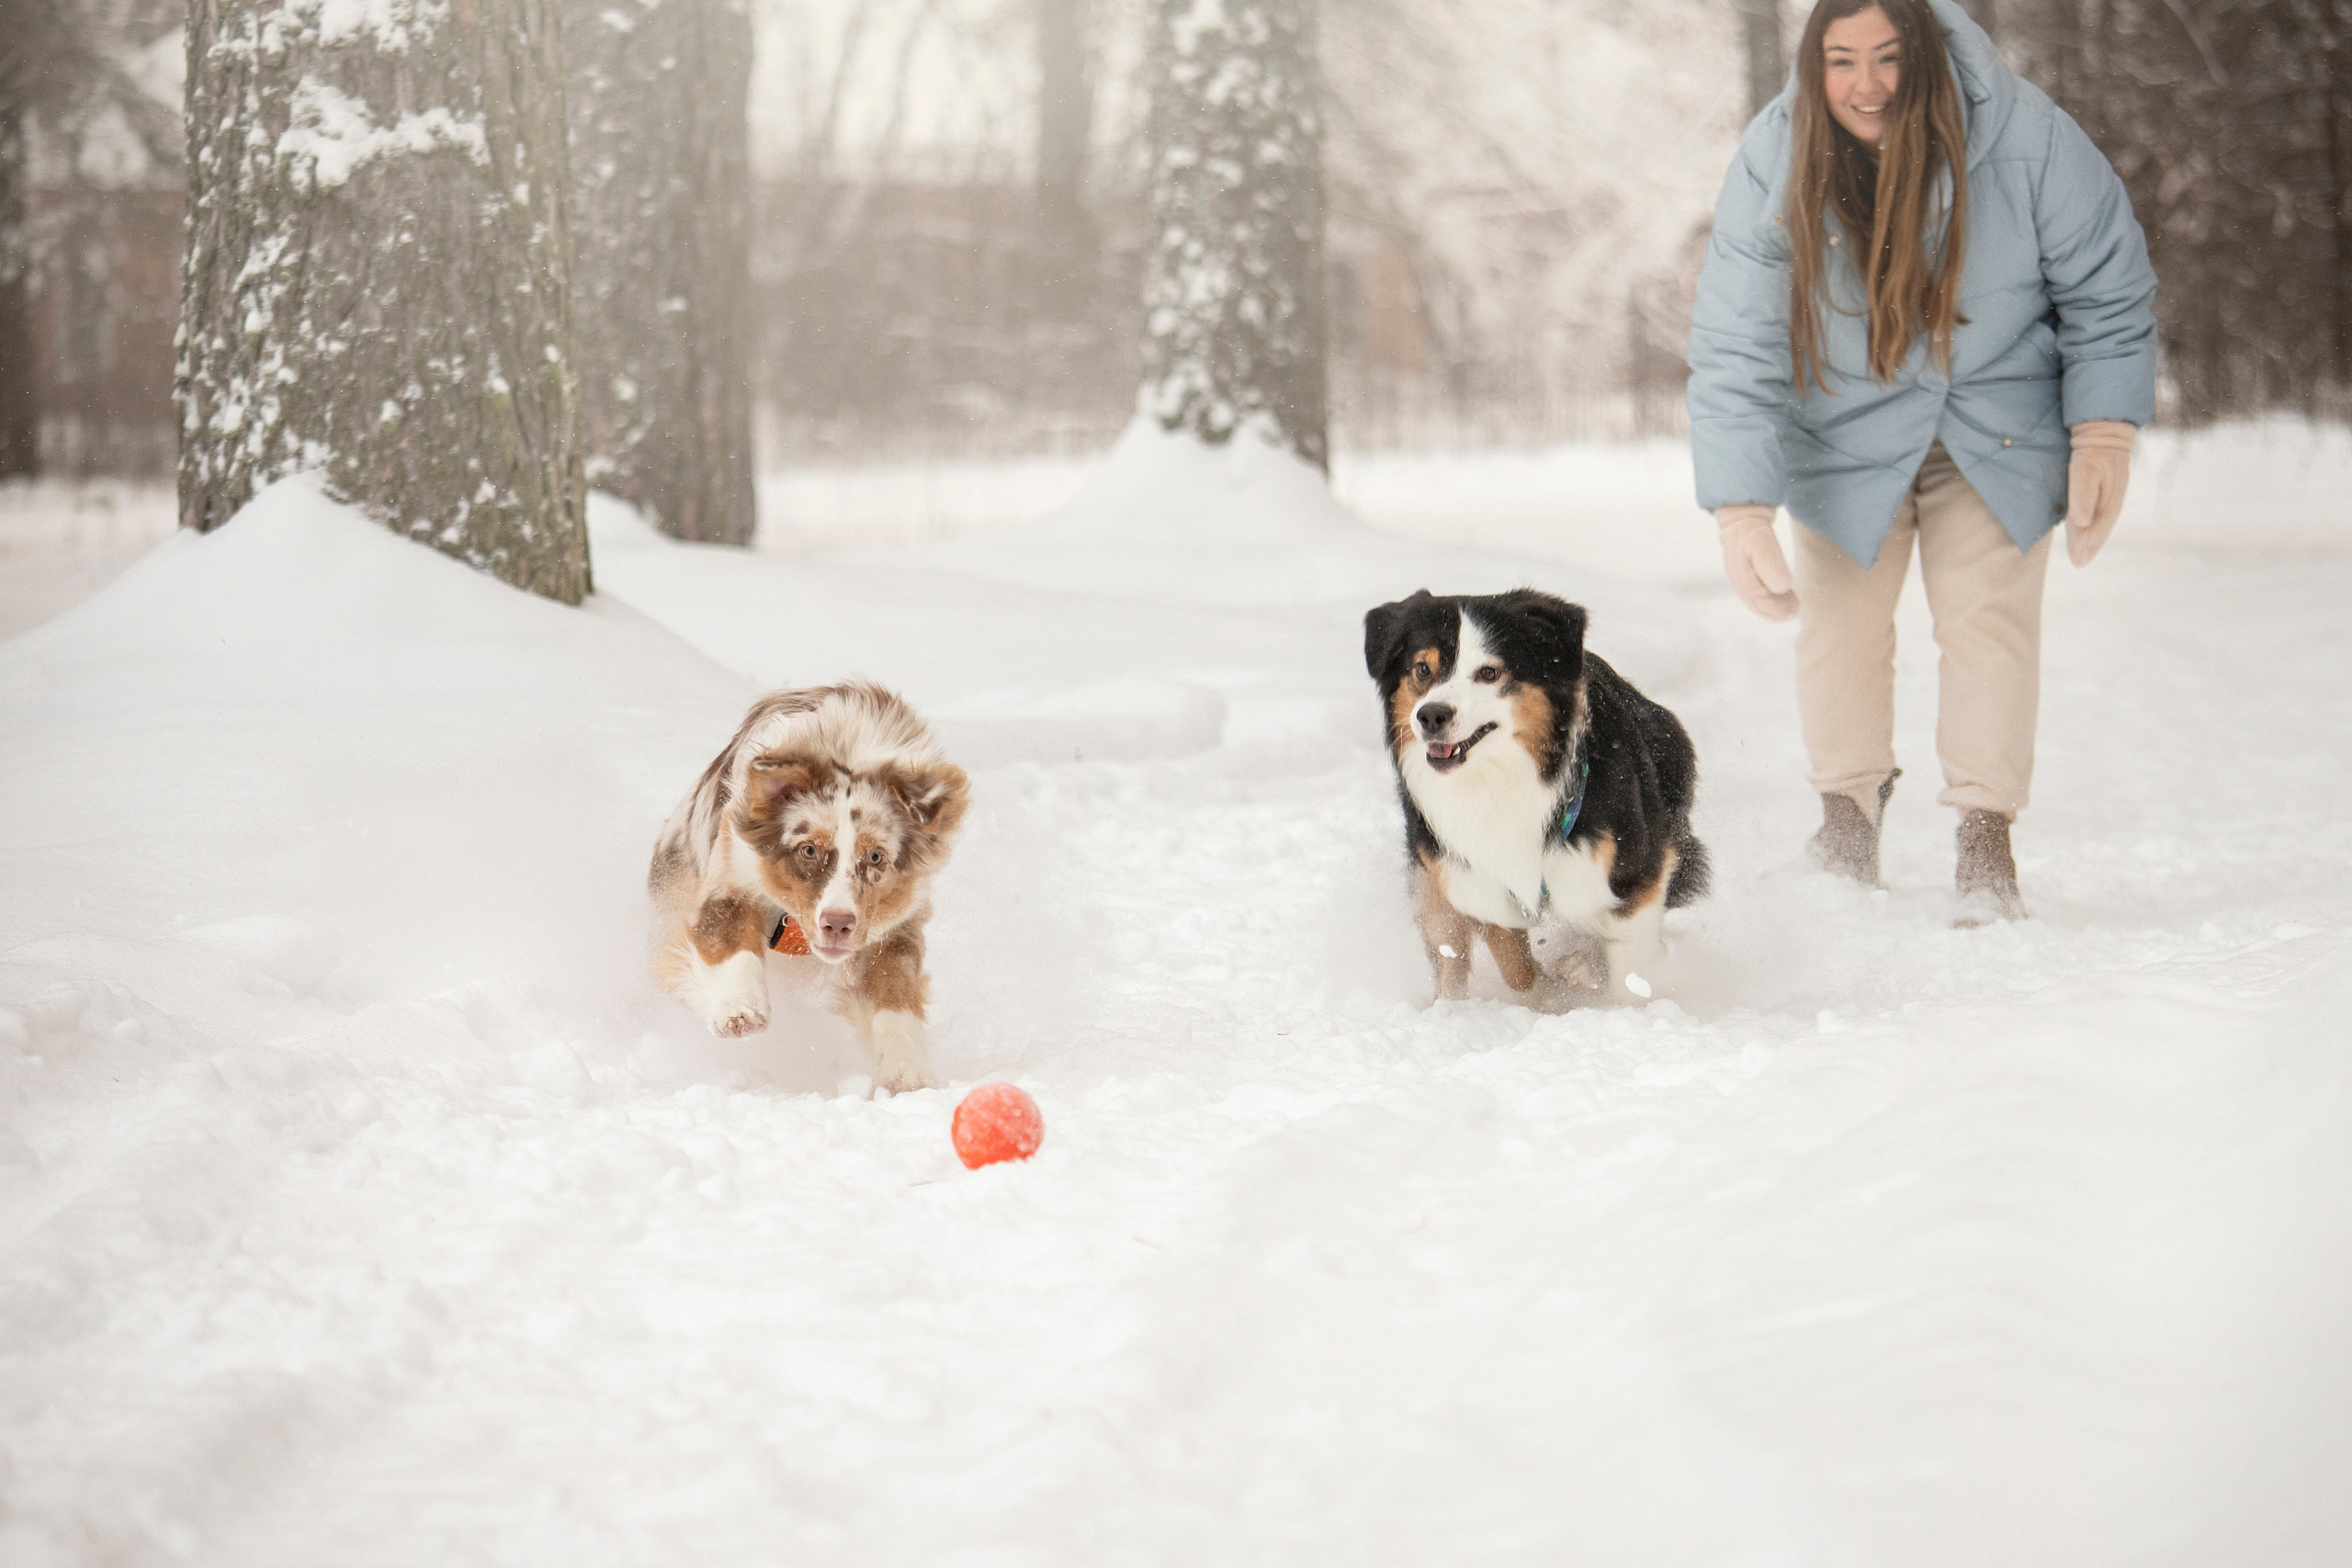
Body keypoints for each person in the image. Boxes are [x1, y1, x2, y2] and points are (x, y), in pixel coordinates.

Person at [1686, 0, 2156, 920]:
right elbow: (1736, 334)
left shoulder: (2027, 136)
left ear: (1929, 55)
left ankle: (1986, 846)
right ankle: (1845, 827)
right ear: (1814, 66)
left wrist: (2103, 430)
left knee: (1987, 624)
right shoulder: (1777, 153)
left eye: (1889, 57)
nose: (1865, 85)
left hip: (1995, 422)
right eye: (1841, 59)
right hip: (1843, 433)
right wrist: (1740, 506)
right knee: (1840, 628)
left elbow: (2108, 284)